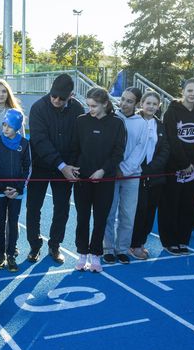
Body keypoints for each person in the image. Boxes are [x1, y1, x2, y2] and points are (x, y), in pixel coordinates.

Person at [26, 73, 84, 263]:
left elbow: (79, 141)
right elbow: (40, 141)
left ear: (71, 95)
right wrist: (62, 166)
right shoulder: (38, 108)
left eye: (62, 98)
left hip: (67, 167)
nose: (57, 100)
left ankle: (55, 245)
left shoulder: (78, 109)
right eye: (54, 96)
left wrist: (72, 166)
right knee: (33, 207)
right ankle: (34, 246)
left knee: (62, 208)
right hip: (41, 166)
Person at [71, 88, 126, 273]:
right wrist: (76, 170)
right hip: (83, 179)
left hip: (105, 179)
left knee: (101, 218)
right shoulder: (81, 121)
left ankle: (95, 254)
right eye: (88, 105)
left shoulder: (117, 124)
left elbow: (118, 152)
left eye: (94, 106)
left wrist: (103, 170)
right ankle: (82, 253)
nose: (90, 109)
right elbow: (75, 148)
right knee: (83, 217)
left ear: (105, 104)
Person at [158, 78, 194, 255]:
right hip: (174, 166)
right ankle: (169, 241)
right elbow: (172, 140)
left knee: (188, 204)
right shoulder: (172, 112)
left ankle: (182, 239)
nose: (193, 94)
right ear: (183, 91)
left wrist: (193, 163)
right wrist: (184, 163)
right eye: (190, 90)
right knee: (171, 204)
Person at [103, 87, 146, 265]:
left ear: (137, 104)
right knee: (109, 211)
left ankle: (122, 249)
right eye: (123, 99)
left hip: (131, 175)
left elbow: (140, 149)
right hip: (111, 173)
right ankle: (108, 248)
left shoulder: (141, 123)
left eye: (129, 101)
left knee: (127, 214)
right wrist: (114, 168)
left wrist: (125, 169)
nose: (124, 104)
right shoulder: (112, 118)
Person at [0, 109, 31, 272]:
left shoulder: (24, 144)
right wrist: (2, 187)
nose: (5, 128)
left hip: (17, 193)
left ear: (17, 127)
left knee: (12, 223)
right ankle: (1, 254)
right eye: (4, 125)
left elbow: (28, 167)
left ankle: (11, 254)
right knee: (0, 221)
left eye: (9, 126)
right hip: (0, 192)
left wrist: (18, 188)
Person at [129, 91, 170, 260]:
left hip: (154, 176)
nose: (151, 106)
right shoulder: (132, 122)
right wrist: (137, 167)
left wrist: (151, 168)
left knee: (149, 211)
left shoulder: (160, 126)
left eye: (155, 104)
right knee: (138, 210)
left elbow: (165, 149)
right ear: (141, 104)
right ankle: (133, 243)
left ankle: (141, 242)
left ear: (158, 106)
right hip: (134, 174)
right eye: (148, 103)